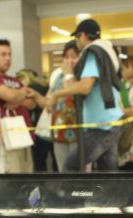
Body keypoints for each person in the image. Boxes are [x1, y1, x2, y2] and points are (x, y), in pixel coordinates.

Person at [43, 18, 124, 172]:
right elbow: (75, 87)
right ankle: (107, 196)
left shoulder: (93, 53)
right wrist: (68, 75)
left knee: (71, 165)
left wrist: (56, 94)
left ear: (84, 35)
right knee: (108, 172)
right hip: (111, 121)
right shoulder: (108, 51)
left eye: (77, 37)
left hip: (101, 126)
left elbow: (85, 87)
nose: (77, 41)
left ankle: (76, 196)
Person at [0, 38, 37, 173]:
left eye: (10, 54)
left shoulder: (15, 80)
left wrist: (17, 97)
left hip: (24, 137)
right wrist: (21, 94)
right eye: (3, 54)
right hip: (4, 141)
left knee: (26, 179)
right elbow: (10, 96)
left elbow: (32, 103)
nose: (8, 58)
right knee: (11, 182)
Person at [47, 40, 81, 171]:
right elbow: (49, 104)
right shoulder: (58, 77)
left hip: (79, 133)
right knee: (63, 169)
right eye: (66, 57)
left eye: (73, 57)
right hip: (59, 132)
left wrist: (68, 74)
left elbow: (71, 90)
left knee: (78, 170)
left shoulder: (83, 76)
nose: (69, 61)